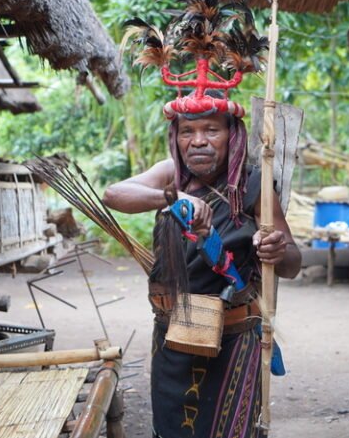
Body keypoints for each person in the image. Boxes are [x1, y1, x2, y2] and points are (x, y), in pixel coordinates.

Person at [103, 106, 301, 438]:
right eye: (187, 132)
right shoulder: (171, 175)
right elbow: (114, 195)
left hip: (234, 334)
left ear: (232, 136)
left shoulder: (253, 184)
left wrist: (277, 250)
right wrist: (174, 196)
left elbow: (293, 264)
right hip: (174, 333)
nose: (198, 141)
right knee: (170, 429)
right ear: (175, 138)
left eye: (211, 130)